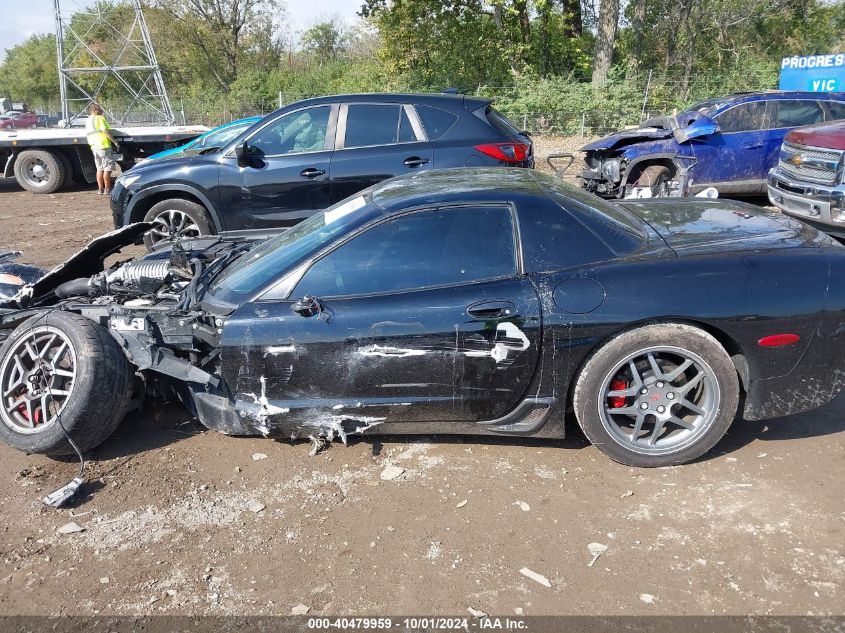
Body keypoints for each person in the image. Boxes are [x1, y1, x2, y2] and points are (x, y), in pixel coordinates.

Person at [85, 103, 119, 195]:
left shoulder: (88, 120)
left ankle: (100, 189)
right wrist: (114, 141)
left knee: (99, 169)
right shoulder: (99, 118)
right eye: (99, 110)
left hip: (94, 147)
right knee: (107, 169)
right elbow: (105, 131)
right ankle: (107, 189)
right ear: (94, 111)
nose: (101, 112)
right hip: (103, 146)